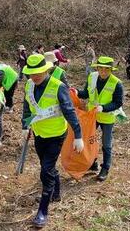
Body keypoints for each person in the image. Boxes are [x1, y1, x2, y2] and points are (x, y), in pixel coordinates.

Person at [21, 54, 83, 228]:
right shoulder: (29, 85)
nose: (35, 76)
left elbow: (69, 111)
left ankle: (43, 210)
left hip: (56, 134)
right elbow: (27, 106)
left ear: (46, 69)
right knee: (46, 166)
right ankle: (55, 193)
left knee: (45, 170)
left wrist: (78, 135)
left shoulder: (58, 86)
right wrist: (25, 125)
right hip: (39, 133)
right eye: (31, 73)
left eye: (39, 72)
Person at [77, 56, 124, 182]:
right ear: (97, 68)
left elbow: (118, 102)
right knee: (89, 140)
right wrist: (76, 92)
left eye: (106, 69)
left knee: (106, 144)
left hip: (107, 117)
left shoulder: (117, 83)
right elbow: (86, 94)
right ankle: (92, 163)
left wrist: (104, 108)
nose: (103, 72)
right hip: (92, 116)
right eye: (101, 69)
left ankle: (105, 168)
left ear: (111, 70)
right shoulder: (92, 77)